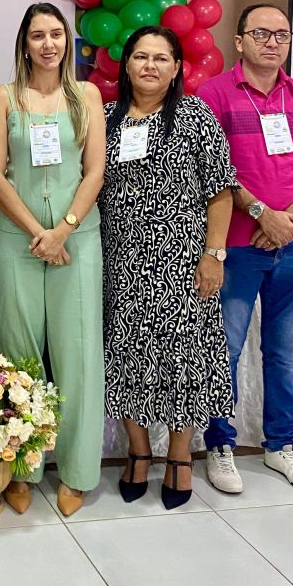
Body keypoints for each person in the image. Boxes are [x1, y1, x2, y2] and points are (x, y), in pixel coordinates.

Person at [199, 4, 293, 494]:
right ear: (239, 41)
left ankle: (281, 445)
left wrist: (287, 219)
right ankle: (220, 445)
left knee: (283, 355)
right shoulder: (213, 95)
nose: (272, 42)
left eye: (282, 34)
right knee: (225, 351)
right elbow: (212, 171)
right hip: (236, 246)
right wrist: (261, 214)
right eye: (261, 33)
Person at [101, 26, 235, 509]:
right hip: (120, 263)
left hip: (182, 263)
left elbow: (221, 191)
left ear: (177, 67)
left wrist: (213, 255)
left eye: (161, 58)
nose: (150, 66)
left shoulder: (195, 117)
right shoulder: (107, 119)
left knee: (183, 359)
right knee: (124, 357)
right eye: (141, 56)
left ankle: (179, 455)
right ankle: (138, 451)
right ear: (127, 64)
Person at [0, 3, 105, 518]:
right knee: (18, 354)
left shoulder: (87, 95)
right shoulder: (5, 97)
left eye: (57, 33)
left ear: (67, 41)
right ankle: (21, 468)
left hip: (78, 241)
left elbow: (95, 171)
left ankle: (76, 471)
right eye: (38, 35)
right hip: (18, 240)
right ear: (25, 43)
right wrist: (39, 233)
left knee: (78, 354)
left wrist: (64, 230)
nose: (49, 44)